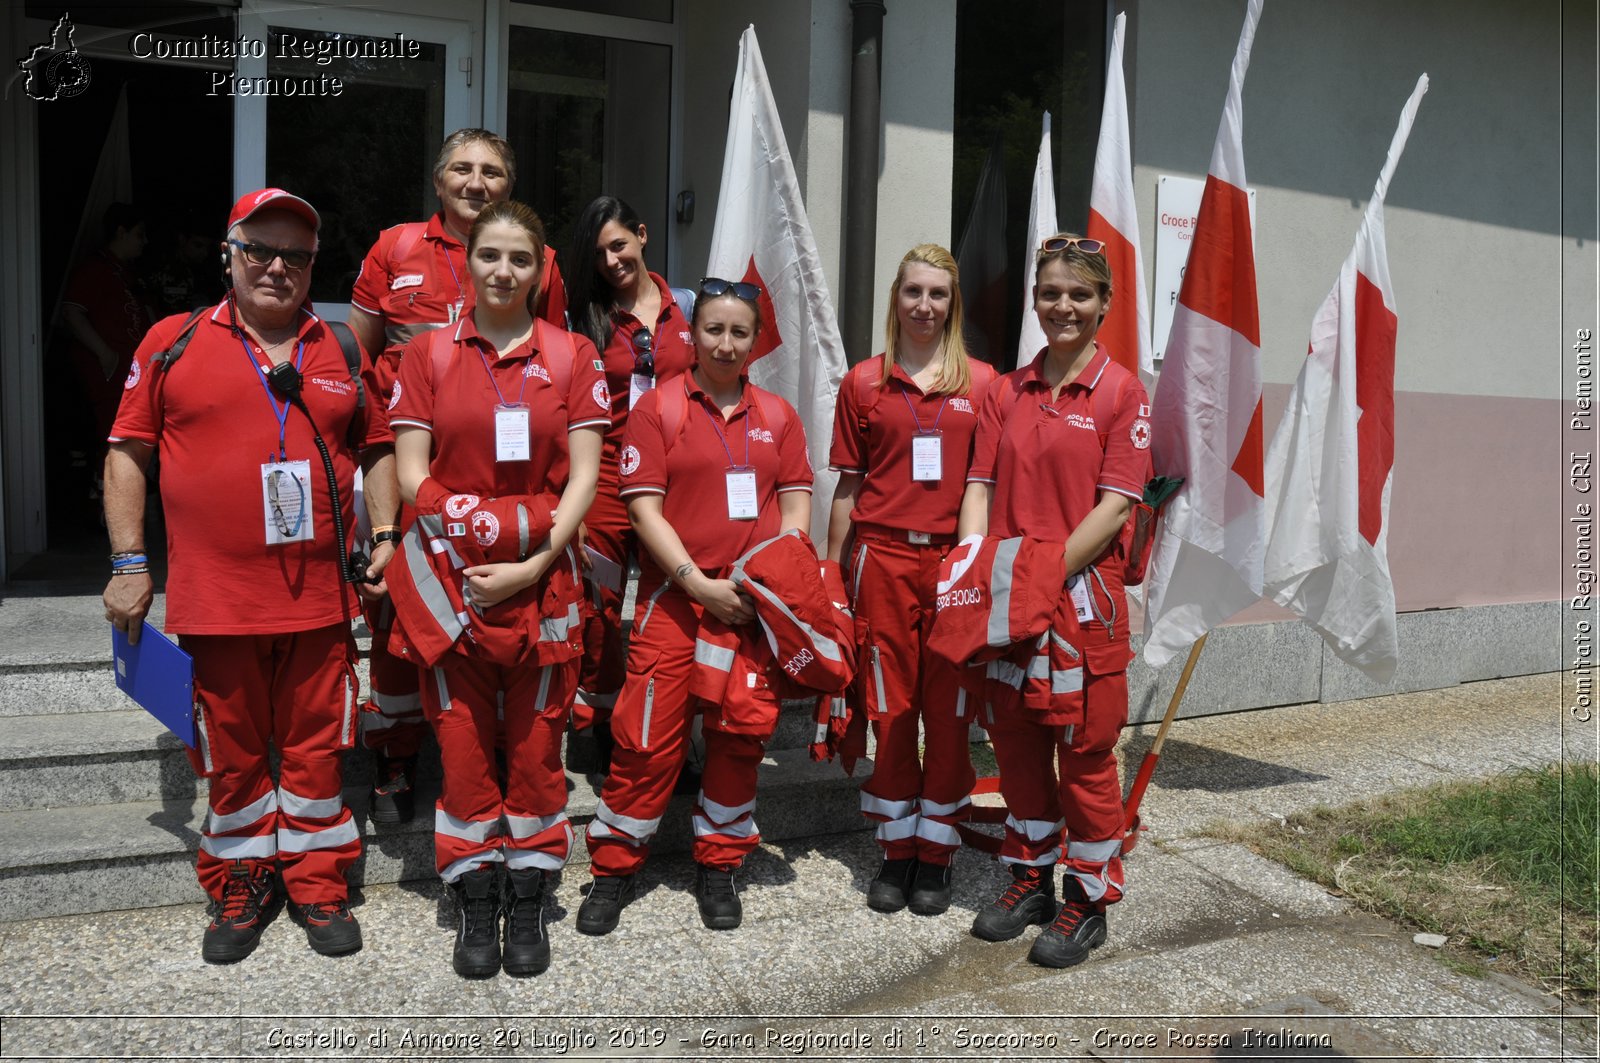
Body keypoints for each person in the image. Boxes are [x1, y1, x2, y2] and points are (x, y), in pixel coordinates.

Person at [103, 188, 398, 963]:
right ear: (228, 256)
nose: (277, 267)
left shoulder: (340, 348)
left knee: (315, 751)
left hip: (322, 603)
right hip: (216, 602)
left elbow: (377, 451)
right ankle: (242, 876)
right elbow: (126, 452)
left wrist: (390, 536)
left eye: (295, 256)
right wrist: (130, 563)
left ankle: (315, 877)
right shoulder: (172, 341)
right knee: (231, 755)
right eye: (259, 251)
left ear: (312, 266)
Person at [390, 200, 606, 978]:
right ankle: (476, 893)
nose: (504, 271)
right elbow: (412, 471)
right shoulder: (428, 355)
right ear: (470, 260)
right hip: (454, 581)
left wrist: (530, 561)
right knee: (461, 746)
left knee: (540, 748)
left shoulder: (575, 354)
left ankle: (529, 890)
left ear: (541, 267)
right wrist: (465, 521)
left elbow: (585, 475)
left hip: (542, 581)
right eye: (490, 255)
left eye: (520, 257)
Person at [347, 128, 570, 823]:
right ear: (439, 180)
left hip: (510, 487)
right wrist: (383, 522)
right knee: (403, 614)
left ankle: (498, 754)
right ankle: (396, 756)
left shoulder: (542, 261)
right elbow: (361, 372)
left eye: (494, 172)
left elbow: (553, 377)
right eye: (464, 169)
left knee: (510, 622)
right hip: (413, 473)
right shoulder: (394, 248)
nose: (478, 182)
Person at [579, 278, 812, 934]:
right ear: (692, 334)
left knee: (740, 739)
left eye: (740, 331)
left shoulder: (780, 416)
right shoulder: (659, 408)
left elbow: (796, 510)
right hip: (674, 602)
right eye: (714, 329)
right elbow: (642, 507)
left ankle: (719, 863)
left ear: (755, 339)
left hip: (750, 608)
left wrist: (767, 581)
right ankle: (615, 866)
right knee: (646, 742)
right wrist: (694, 580)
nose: (727, 343)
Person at [956, 233, 1151, 968]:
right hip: (1008, 601)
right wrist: (976, 569)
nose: (1062, 305)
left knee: (1088, 757)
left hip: (1079, 604)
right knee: (1019, 751)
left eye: (1079, 293)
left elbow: (1114, 508)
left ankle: (1089, 896)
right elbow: (979, 485)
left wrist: (1038, 578)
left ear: (1103, 304)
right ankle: (1031, 880)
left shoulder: (1121, 390)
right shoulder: (1005, 390)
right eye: (1050, 292)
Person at [826, 244, 996, 916]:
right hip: (882, 560)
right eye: (913, 292)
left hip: (952, 563)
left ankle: (939, 850)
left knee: (950, 712)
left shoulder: (982, 384)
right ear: (894, 298)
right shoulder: (863, 382)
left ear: (953, 305)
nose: (924, 306)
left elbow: (985, 486)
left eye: (938, 294)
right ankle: (898, 848)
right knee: (891, 710)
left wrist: (976, 567)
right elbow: (848, 485)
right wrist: (832, 577)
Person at [562, 196, 696, 773]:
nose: (612, 260)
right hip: (609, 480)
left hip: (674, 482)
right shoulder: (581, 318)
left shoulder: (690, 305)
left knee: (674, 605)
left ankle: (675, 729)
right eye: (599, 253)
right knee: (599, 610)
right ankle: (602, 721)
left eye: (619, 244)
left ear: (642, 236)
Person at [62, 202, 152, 453]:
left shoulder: (126, 271)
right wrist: (106, 355)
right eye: (139, 234)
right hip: (107, 378)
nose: (144, 241)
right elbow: (71, 312)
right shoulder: (95, 269)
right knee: (113, 446)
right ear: (121, 232)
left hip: (128, 377)